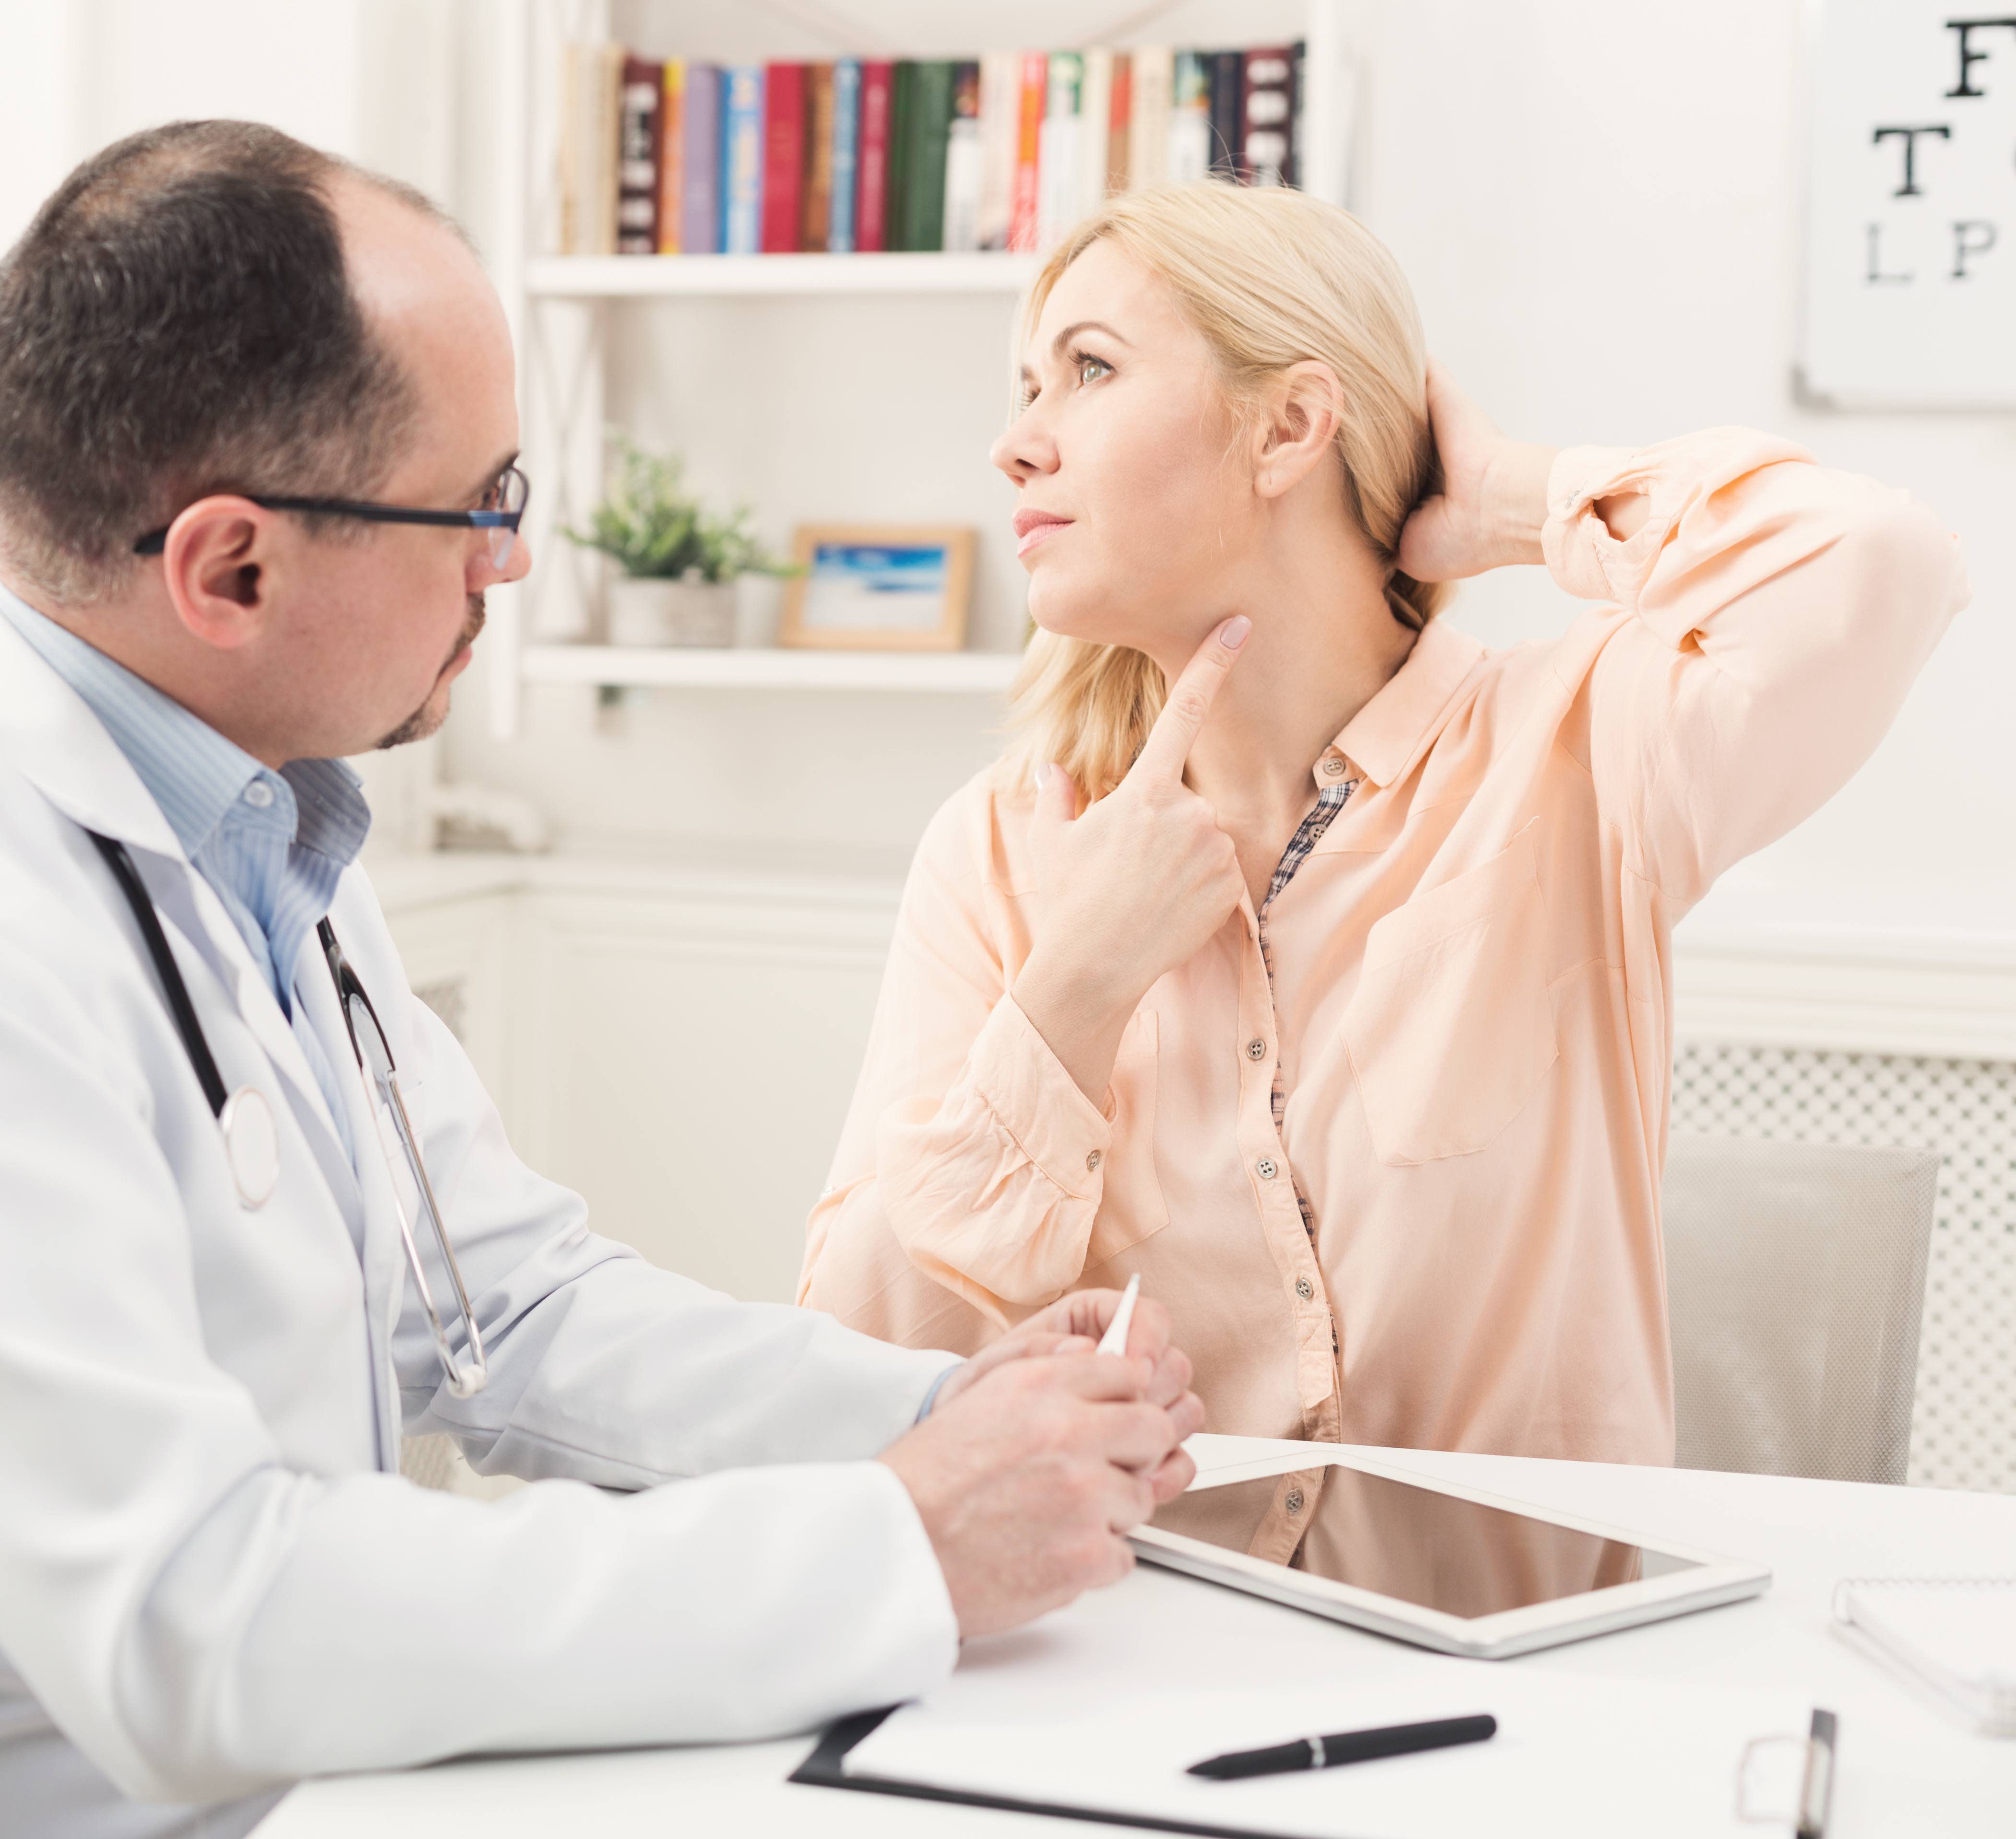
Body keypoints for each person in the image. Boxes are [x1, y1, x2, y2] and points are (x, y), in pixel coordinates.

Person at [0, 122, 1207, 1839]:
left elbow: (502, 1308)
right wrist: (897, 1538)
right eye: (483, 505)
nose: (512, 562)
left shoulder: (250, 814)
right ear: (230, 567)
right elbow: (193, 1626)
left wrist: (959, 1411)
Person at [799, 182, 1967, 1466]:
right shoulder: (1001, 853)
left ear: (1292, 425)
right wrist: (1071, 996)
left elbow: (1887, 566)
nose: (1016, 443)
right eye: (1027, 386)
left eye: (1088, 369)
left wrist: (1519, 505)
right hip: (1138, 1641)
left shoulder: (1579, 753)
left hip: (1513, 1658)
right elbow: (857, 1364)